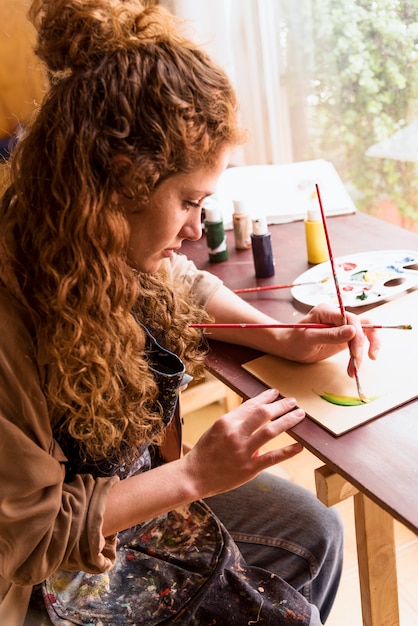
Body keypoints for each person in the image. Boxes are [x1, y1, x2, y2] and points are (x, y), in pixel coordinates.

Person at [0, 1, 380, 625]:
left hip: (126, 501)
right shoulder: (12, 312)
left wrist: (281, 334)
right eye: (186, 202)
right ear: (118, 182)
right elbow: (29, 534)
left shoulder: (101, 244)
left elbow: (183, 284)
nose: (195, 228)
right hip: (49, 575)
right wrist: (196, 474)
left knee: (314, 529)